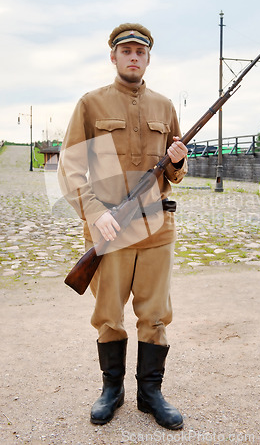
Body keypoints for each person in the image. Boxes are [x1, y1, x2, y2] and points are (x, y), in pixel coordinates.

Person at [58, 23, 188, 430]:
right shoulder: (90, 104)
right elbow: (71, 167)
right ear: (113, 56)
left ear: (148, 58)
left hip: (155, 229)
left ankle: (151, 394)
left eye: (140, 51)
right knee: (109, 315)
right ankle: (111, 391)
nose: (134, 56)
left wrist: (180, 161)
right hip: (109, 231)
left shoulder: (165, 107)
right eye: (126, 50)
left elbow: (177, 172)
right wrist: (97, 213)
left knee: (155, 314)